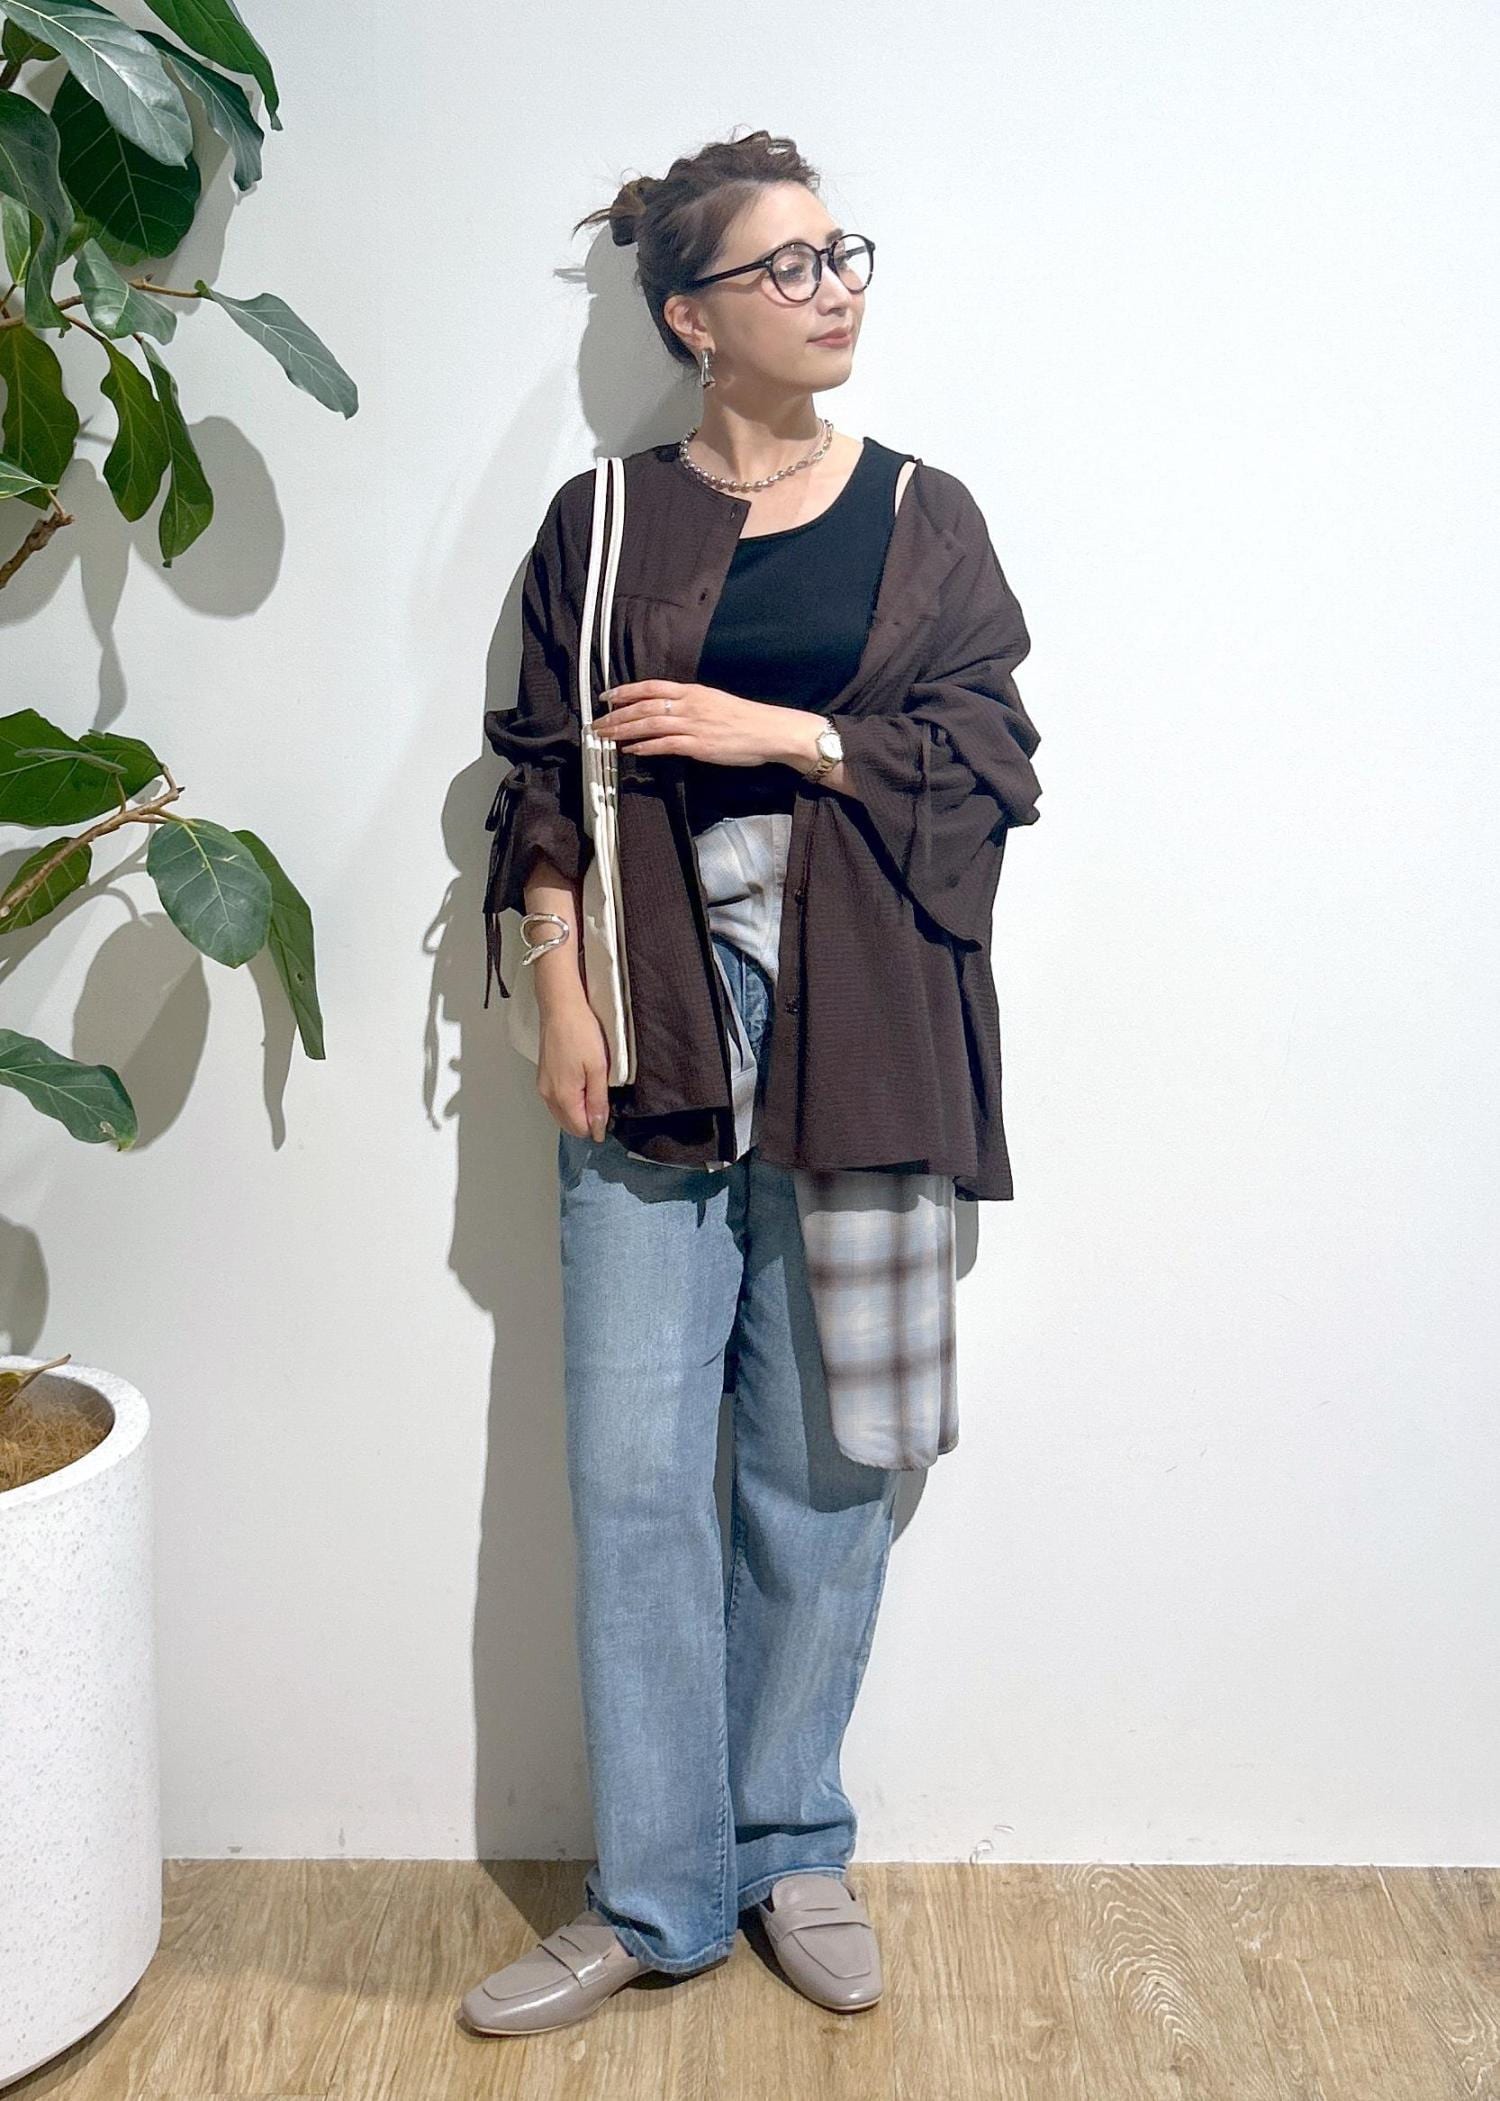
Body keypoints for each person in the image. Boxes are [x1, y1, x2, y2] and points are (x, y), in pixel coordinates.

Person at [462, 127, 1041, 2038]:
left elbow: (991, 751)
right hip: (649, 1023)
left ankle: (792, 1842)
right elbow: (544, 766)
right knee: (633, 1475)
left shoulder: (924, 513)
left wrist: (781, 731)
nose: (834, 287)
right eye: (788, 266)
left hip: (861, 1022)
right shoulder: (600, 522)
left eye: (843, 253)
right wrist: (560, 986)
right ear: (692, 320)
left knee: (821, 1465)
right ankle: (656, 1896)